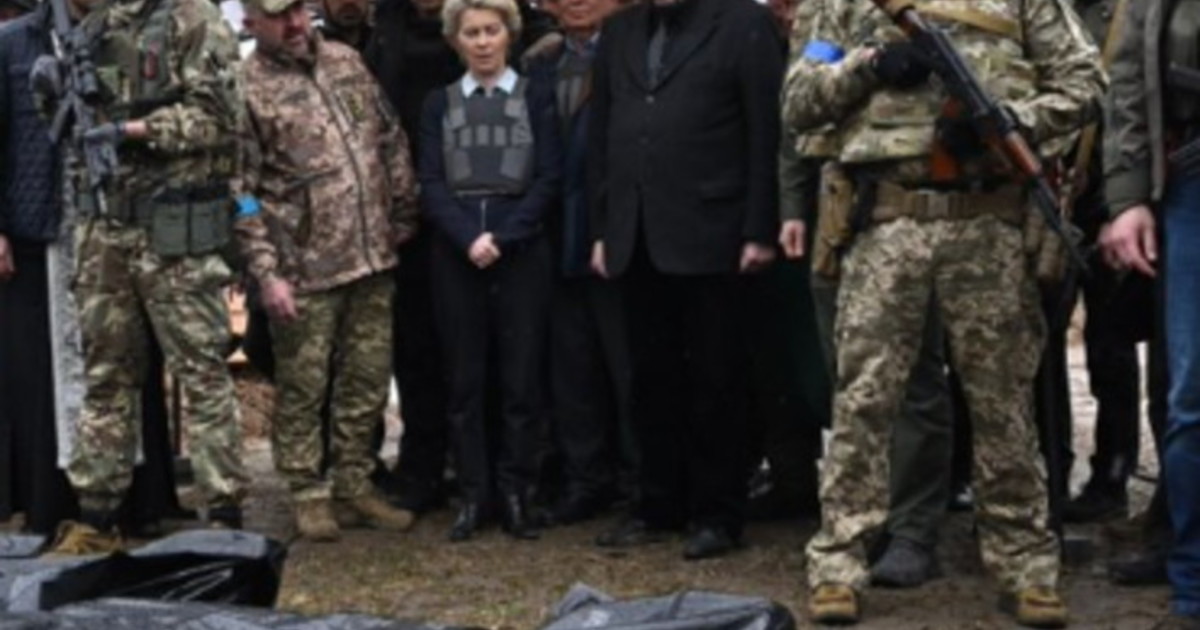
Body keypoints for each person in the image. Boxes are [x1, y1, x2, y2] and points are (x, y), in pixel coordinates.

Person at [783, 0, 1104, 625]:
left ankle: (1026, 565)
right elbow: (799, 100)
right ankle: (838, 563)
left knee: (1003, 403)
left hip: (989, 221)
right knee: (864, 400)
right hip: (886, 220)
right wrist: (870, 65)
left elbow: (1085, 81)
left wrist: (1008, 122)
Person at [40, 0, 249, 554]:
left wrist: (133, 130)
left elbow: (219, 119)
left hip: (174, 232)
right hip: (104, 230)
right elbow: (67, 128)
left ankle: (224, 516)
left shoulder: (193, 19)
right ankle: (97, 516)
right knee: (105, 377)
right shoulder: (92, 28)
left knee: (201, 373)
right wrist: (52, 95)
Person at [588, 0, 783, 560]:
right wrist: (603, 228)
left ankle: (718, 514)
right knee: (650, 379)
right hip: (636, 236)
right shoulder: (620, 31)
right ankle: (658, 505)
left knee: (718, 381)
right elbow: (602, 135)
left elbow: (766, 131)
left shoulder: (744, 24)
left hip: (716, 234)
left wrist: (760, 228)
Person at [235, 0, 420, 541]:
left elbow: (388, 135)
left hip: (371, 255)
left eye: (298, 9)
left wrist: (403, 208)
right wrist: (266, 272)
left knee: (367, 379)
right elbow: (239, 192)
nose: (295, 24)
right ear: (251, 22)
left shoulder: (345, 61)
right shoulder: (246, 88)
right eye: (279, 16)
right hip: (303, 269)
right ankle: (306, 492)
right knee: (304, 388)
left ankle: (353, 484)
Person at [418, 0, 561, 542]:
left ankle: (517, 491)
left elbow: (549, 176)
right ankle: (474, 494)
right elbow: (431, 181)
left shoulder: (536, 96)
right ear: (456, 41)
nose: (482, 42)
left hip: (520, 250)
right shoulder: (438, 103)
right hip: (457, 253)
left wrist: (505, 236)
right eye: (471, 33)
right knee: (465, 380)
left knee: (521, 379)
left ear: (509, 35)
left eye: (491, 31)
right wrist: (467, 238)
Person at [1102, 0, 1200, 626]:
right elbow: (1130, 83)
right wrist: (1128, 197)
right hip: (1192, 183)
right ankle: (1194, 581)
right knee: (1192, 401)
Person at [524, 0, 633, 526]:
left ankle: (641, 481)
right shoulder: (538, 64)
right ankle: (585, 479)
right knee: (572, 368)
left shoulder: (633, 52)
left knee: (628, 366)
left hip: (619, 232)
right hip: (556, 235)